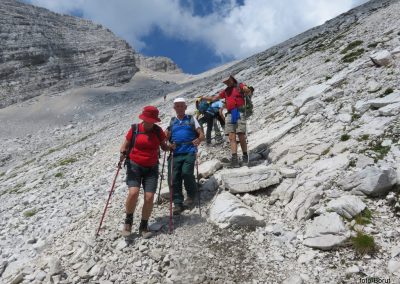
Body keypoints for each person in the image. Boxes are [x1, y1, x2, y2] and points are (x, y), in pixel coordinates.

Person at [119, 106, 172, 238]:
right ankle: (128, 222)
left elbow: (164, 147)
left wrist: (171, 147)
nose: (149, 123)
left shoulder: (158, 131)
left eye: (152, 120)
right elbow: (124, 145)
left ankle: (143, 225)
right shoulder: (135, 129)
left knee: (149, 197)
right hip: (134, 165)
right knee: (133, 192)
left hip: (151, 167)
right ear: (143, 118)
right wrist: (122, 153)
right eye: (147, 120)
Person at [203, 75, 253, 168]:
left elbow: (246, 89)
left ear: (232, 79)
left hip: (239, 111)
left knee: (241, 134)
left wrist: (246, 89)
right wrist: (203, 98)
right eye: (225, 82)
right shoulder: (225, 91)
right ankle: (235, 160)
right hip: (230, 114)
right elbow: (214, 98)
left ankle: (245, 156)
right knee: (231, 137)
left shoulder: (239, 85)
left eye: (228, 81)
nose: (227, 83)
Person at [165, 97, 204, 215]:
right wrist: (168, 144)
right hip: (175, 153)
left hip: (189, 151)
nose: (180, 108)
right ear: (174, 108)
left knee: (186, 173)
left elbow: (201, 134)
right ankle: (177, 203)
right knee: (173, 178)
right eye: (177, 106)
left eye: (182, 106)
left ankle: (191, 195)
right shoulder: (172, 122)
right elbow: (165, 137)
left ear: (185, 107)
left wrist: (198, 140)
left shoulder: (191, 119)